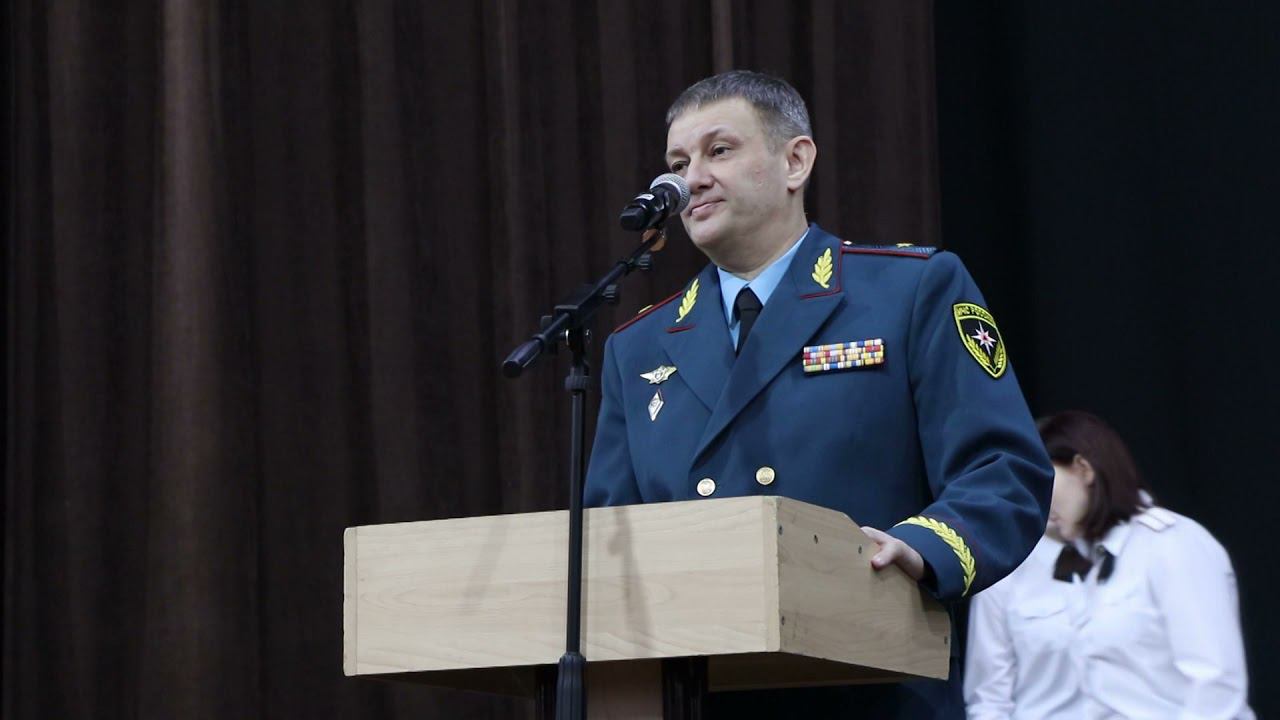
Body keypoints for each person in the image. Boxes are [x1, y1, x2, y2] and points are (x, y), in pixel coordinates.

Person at [584, 70, 1053, 717]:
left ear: (795, 161)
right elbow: (610, 537)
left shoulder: (910, 291)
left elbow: (1004, 470)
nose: (691, 180)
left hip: (872, 685)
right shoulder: (638, 346)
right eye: (678, 163)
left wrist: (923, 548)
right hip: (703, 690)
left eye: (719, 151)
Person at [965, 410, 1254, 719]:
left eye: (1043, 484)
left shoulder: (1171, 545)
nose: (1035, 503)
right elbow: (989, 699)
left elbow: (1214, 684)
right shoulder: (1027, 561)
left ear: (1083, 469)